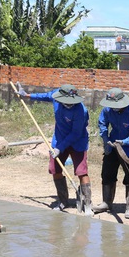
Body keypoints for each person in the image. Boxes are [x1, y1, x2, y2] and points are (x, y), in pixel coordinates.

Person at [18, 83, 93, 216]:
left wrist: (60, 148)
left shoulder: (81, 111)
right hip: (59, 139)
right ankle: (63, 200)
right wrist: (27, 95)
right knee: (55, 169)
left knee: (81, 171)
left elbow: (76, 133)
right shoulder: (56, 95)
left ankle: (87, 203)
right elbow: (45, 96)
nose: (69, 104)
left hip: (78, 141)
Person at [93, 88, 129, 219]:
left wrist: (124, 142)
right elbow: (102, 124)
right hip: (113, 144)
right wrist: (105, 139)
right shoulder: (107, 110)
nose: (113, 108)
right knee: (107, 172)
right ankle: (106, 202)